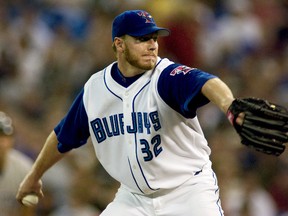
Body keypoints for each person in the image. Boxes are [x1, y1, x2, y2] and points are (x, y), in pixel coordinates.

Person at [16, 9, 245, 215]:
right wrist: (34, 176)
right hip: (134, 198)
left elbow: (207, 82)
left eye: (154, 38)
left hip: (187, 191)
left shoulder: (166, 77)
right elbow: (62, 138)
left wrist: (230, 106)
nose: (152, 45)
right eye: (142, 39)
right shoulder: (96, 89)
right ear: (119, 44)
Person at [0, 111, 35, 216]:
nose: (0, 142)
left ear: (12, 140)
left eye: (4, 137)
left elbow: (27, 211)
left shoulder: (24, 168)